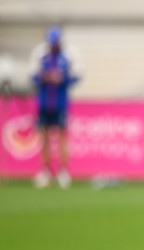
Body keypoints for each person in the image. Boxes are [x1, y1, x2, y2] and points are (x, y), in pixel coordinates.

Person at [30, 26, 82, 189]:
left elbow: (78, 76)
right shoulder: (40, 54)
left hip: (61, 102)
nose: (54, 45)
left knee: (62, 136)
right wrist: (43, 77)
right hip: (44, 102)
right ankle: (45, 171)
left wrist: (62, 78)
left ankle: (63, 172)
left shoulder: (68, 55)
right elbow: (32, 75)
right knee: (44, 137)